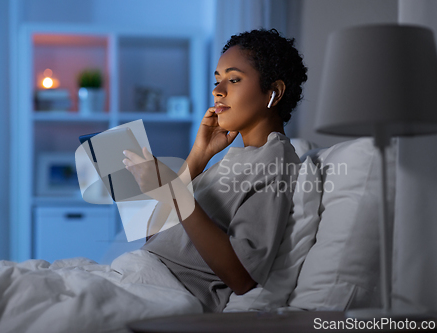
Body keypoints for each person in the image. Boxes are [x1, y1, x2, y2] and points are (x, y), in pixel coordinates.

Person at [122, 28, 308, 313]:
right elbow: (154, 238)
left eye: (234, 79)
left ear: (274, 92)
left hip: (164, 292)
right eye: (217, 80)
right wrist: (200, 154)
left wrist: (172, 189)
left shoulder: (276, 161)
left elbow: (242, 278)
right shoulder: (236, 158)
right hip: (137, 275)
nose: (217, 91)